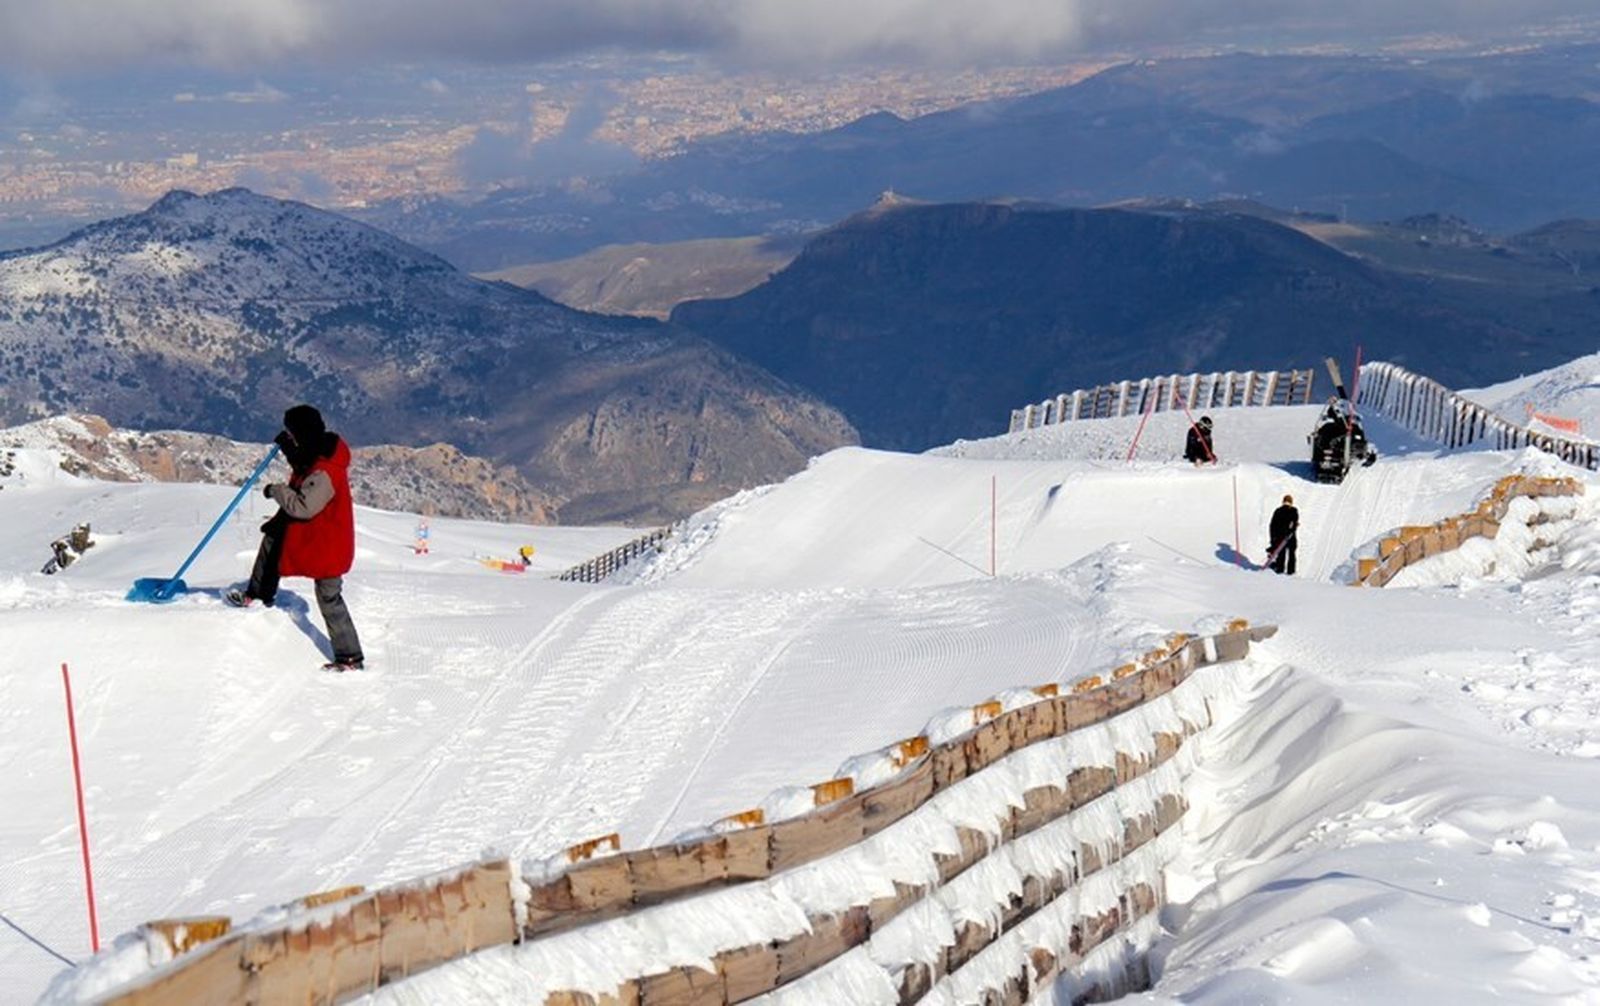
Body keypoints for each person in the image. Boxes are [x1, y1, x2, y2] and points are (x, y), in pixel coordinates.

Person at [227, 405, 365, 671]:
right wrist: (288, 448)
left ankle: (350, 658)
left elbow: (304, 507)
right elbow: (304, 463)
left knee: (329, 596)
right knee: (273, 538)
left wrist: (276, 491)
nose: (292, 436)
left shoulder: (326, 470)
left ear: (303, 432)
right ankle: (258, 594)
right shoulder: (320, 450)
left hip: (327, 542)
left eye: (293, 432)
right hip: (315, 534)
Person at [1269, 494, 1299, 575]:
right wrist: (1293, 528)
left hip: (1280, 536)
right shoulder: (1294, 510)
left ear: (1283, 501)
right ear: (1291, 502)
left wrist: (1272, 538)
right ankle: (1291, 571)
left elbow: (1272, 525)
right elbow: (1294, 523)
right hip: (1290, 536)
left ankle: (1280, 569)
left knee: (1281, 554)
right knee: (1292, 554)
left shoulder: (1278, 511)